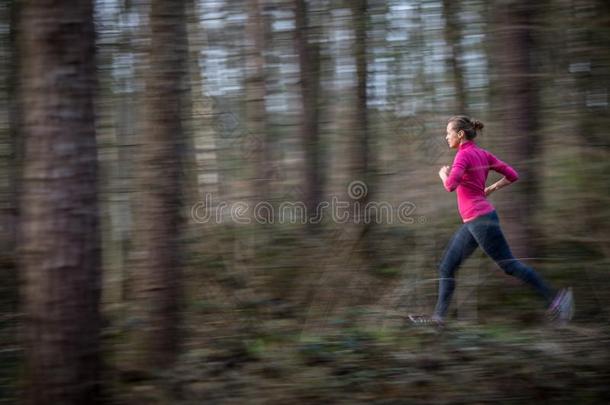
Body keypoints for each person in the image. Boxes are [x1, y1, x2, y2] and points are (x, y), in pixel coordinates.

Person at [409, 115, 573, 326]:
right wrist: (490, 189)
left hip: (480, 221)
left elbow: (450, 185)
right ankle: (438, 318)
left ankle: (558, 301)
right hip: (475, 221)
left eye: (448, 132)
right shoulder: (482, 154)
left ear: (460, 134)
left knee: (509, 266)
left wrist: (442, 174)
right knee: (446, 266)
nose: (446, 136)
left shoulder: (462, 156)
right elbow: (512, 174)